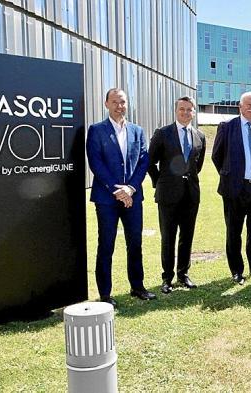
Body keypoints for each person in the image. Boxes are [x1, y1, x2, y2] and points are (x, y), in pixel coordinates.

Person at [86, 88, 156, 307]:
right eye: (115, 101)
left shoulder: (137, 130)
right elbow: (95, 162)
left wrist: (131, 189)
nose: (119, 106)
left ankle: (138, 287)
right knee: (106, 245)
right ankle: (105, 294)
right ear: (106, 104)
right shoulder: (96, 130)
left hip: (133, 198)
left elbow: (144, 161)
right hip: (107, 199)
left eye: (123, 102)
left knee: (135, 243)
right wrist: (118, 189)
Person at [212, 92, 251, 285]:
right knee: (234, 232)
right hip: (234, 189)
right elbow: (217, 156)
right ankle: (237, 271)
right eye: (248, 105)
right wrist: (230, 175)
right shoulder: (227, 127)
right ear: (240, 107)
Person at [148, 96, 206, 294]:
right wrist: (160, 181)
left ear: (194, 112)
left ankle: (183, 274)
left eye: (190, 110)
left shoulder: (200, 136)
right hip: (168, 195)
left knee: (187, 236)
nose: (186, 113)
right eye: (182, 109)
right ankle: (167, 278)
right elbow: (150, 161)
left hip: (191, 195)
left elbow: (197, 165)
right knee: (168, 237)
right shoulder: (163, 133)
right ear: (176, 111)